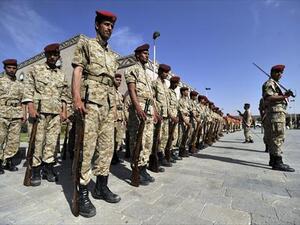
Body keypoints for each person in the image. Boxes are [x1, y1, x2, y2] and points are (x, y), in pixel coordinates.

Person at [72, 10, 121, 218]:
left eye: (111, 25)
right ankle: (82, 191)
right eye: (106, 24)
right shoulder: (86, 44)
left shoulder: (113, 55)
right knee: (87, 147)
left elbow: (113, 84)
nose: (109, 28)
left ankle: (101, 186)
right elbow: (77, 71)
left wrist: (116, 108)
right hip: (91, 102)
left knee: (106, 148)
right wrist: (76, 98)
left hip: (108, 105)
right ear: (97, 25)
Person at [23, 44, 67, 185]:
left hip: (55, 113)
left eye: (55, 54)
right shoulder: (35, 69)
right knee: (37, 141)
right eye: (50, 54)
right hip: (39, 112)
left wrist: (64, 110)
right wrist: (30, 107)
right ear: (46, 55)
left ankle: (48, 168)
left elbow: (65, 94)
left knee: (52, 142)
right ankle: (36, 170)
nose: (53, 57)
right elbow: (28, 89)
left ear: (59, 56)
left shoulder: (61, 74)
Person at [125, 43, 160, 185]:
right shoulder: (131, 69)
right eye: (145, 53)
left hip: (149, 110)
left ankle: (143, 167)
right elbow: (132, 90)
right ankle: (136, 168)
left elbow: (151, 97)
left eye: (148, 54)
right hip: (138, 109)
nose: (147, 56)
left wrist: (156, 112)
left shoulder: (146, 74)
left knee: (147, 141)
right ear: (138, 55)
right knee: (137, 140)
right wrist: (138, 108)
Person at [262, 64, 294, 172]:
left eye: (281, 73)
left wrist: (284, 94)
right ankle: (278, 162)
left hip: (277, 114)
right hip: (275, 114)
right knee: (278, 137)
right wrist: (285, 96)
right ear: (272, 73)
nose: (280, 74)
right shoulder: (270, 83)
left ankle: (273, 160)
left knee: (274, 137)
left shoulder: (275, 84)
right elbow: (269, 97)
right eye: (277, 72)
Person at [0, 59, 26, 174]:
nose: (11, 70)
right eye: (9, 67)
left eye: (14, 68)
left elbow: (24, 101)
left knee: (14, 140)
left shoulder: (20, 84)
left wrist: (24, 114)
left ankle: (9, 160)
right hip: (2, 112)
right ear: (5, 68)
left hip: (16, 113)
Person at [152, 64, 172, 167]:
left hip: (165, 116)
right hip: (158, 115)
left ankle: (161, 155)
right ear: (159, 72)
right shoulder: (155, 83)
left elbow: (167, 102)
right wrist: (155, 113)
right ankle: (155, 157)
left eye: (167, 72)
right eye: (165, 72)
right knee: (157, 138)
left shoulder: (165, 86)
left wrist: (169, 113)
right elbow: (152, 99)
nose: (166, 74)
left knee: (164, 136)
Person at [111, 73, 125, 165]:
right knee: (112, 139)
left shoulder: (119, 93)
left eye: (120, 80)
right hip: (113, 119)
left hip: (119, 119)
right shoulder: (110, 91)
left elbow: (122, 107)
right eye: (117, 80)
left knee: (118, 139)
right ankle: (111, 157)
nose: (119, 82)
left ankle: (115, 155)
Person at [167, 76, 182, 161]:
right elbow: (167, 106)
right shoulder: (168, 92)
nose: (177, 85)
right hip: (170, 118)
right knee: (169, 137)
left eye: (177, 84)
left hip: (175, 118)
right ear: (172, 83)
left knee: (174, 136)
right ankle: (167, 153)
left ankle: (171, 152)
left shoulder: (174, 93)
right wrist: (171, 116)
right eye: (176, 83)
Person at [178, 87, 191, 157]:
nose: (187, 92)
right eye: (186, 91)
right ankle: (180, 151)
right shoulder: (180, 101)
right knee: (181, 136)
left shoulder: (187, 101)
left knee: (187, 136)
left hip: (187, 118)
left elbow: (189, 110)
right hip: (183, 120)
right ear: (183, 92)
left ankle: (184, 150)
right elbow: (180, 112)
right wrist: (185, 121)